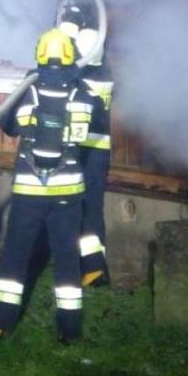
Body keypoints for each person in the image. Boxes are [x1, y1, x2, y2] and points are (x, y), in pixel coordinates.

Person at [0, 28, 103, 344]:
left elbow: (7, 126)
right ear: (70, 55)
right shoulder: (85, 94)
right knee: (66, 258)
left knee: (15, 255)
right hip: (68, 193)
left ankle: (2, 322)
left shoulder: (28, 90)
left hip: (29, 191)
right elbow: (94, 133)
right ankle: (70, 329)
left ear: (39, 54)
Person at [73, 26, 115, 286]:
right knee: (93, 208)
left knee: (74, 205)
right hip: (101, 149)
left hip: (80, 150)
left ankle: (86, 265)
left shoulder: (79, 78)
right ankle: (95, 267)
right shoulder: (107, 74)